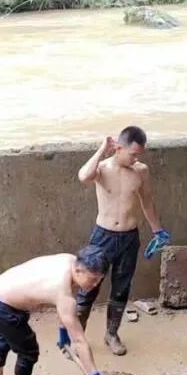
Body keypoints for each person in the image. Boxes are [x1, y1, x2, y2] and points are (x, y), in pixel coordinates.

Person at [76, 126, 170, 356]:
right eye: (133, 153)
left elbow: (147, 201)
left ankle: (111, 334)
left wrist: (158, 231)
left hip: (129, 236)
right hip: (103, 237)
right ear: (118, 148)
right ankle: (77, 337)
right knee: (88, 287)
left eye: (139, 154)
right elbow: (83, 176)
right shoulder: (102, 169)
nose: (136, 158)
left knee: (121, 289)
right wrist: (101, 148)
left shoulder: (141, 171)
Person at [0, 245, 109, 375]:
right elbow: (79, 340)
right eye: (93, 279)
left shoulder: (70, 260)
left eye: (99, 280)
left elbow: (66, 301)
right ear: (78, 271)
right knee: (28, 352)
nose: (95, 285)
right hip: (2, 306)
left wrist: (63, 331)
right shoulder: (62, 292)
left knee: (5, 336)